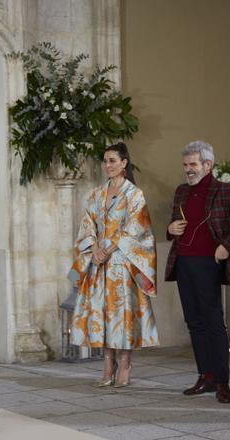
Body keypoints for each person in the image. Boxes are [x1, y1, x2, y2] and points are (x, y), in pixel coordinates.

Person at [165, 140, 230, 403]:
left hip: (209, 264)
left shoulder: (224, 191)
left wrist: (227, 247)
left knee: (214, 323)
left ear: (208, 164)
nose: (188, 170)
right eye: (185, 165)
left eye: (193, 164)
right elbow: (172, 221)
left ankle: (222, 382)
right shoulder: (181, 191)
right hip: (183, 263)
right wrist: (170, 229)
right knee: (194, 323)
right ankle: (205, 376)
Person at [69, 142, 158, 388]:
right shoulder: (96, 194)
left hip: (123, 262)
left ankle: (125, 362)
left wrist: (109, 248)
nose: (107, 165)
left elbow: (137, 228)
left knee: (123, 315)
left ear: (124, 163)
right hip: (99, 264)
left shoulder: (134, 194)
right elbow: (86, 225)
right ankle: (108, 362)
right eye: (105, 161)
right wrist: (94, 249)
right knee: (103, 314)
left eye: (112, 161)